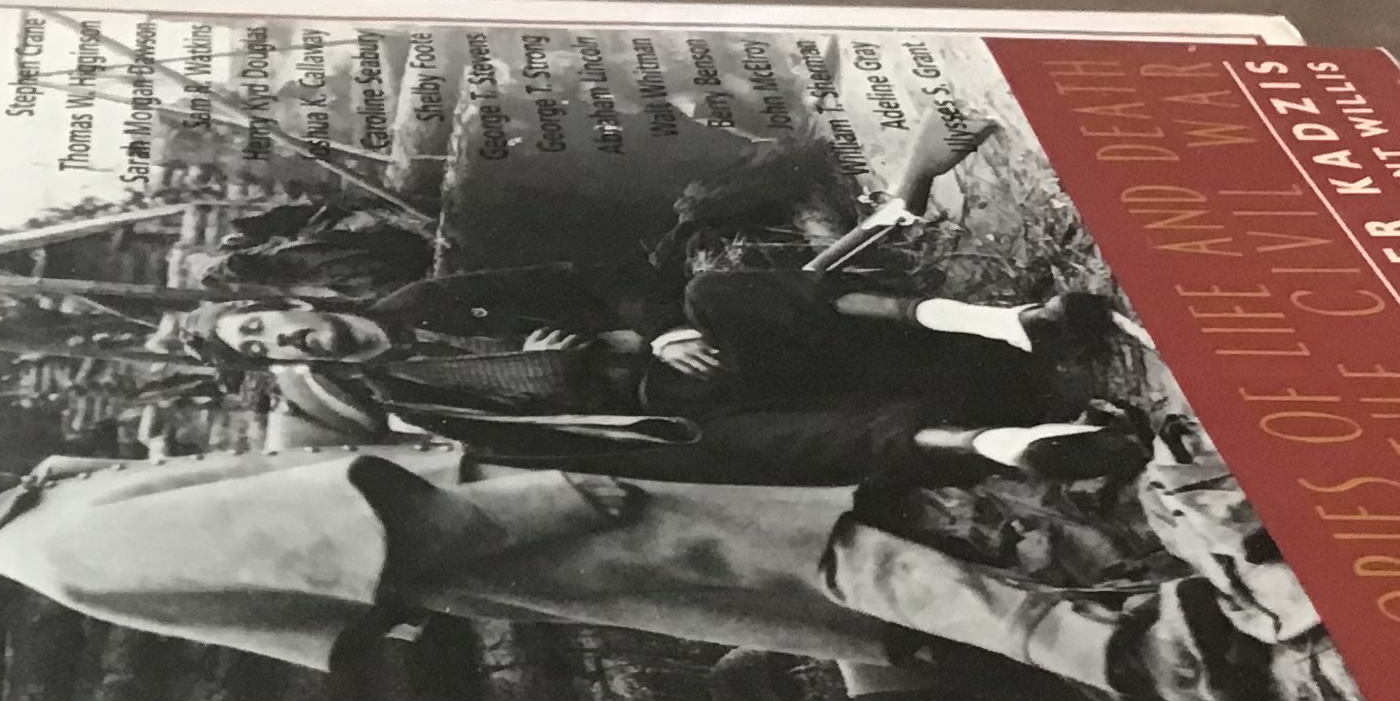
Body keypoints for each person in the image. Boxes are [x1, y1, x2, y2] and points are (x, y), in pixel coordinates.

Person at [0, 437, 1273, 701]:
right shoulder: (61, 544)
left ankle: (1106, 639)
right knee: (826, 557)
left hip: (509, 526)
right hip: (513, 529)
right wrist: (540, 499)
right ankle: (1132, 657)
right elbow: (349, 544)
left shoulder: (44, 518)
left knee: (817, 578)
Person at [189, 267, 1151, 485]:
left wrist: (657, 332)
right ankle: (1009, 445)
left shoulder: (436, 297)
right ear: (281, 364)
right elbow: (554, 445)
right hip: (660, 408)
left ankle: (1005, 323)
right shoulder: (410, 403)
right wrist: (594, 384)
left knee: (719, 290)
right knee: (753, 445)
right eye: (264, 348)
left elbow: (605, 280)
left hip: (692, 350)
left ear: (292, 300)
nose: (286, 337)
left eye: (265, 320)